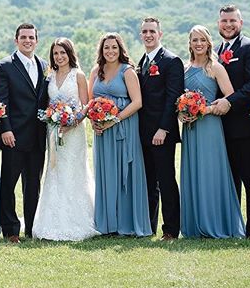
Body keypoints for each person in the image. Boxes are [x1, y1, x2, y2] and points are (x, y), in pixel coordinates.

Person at [180, 25, 244, 238]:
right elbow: (179, 99)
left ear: (208, 43)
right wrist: (181, 113)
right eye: (195, 40)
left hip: (210, 127)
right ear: (190, 43)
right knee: (193, 171)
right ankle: (195, 223)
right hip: (190, 128)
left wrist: (204, 110)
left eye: (202, 40)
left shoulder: (215, 68)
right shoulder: (185, 68)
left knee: (210, 172)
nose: (199, 44)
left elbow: (229, 97)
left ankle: (217, 222)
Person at [32, 38, 98, 241]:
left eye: (63, 52)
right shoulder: (49, 76)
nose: (59, 57)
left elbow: (86, 105)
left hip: (74, 132)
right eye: (55, 53)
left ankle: (78, 219)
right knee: (55, 170)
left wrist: (72, 122)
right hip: (53, 130)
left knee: (74, 170)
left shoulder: (78, 75)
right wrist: (52, 117)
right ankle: (51, 220)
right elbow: (47, 102)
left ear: (70, 54)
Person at [211, 4, 250, 238]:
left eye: (232, 20)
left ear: (240, 23)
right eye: (224, 21)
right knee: (228, 181)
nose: (228, 25)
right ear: (218, 24)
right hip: (219, 128)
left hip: (246, 128)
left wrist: (229, 102)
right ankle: (232, 227)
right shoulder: (214, 52)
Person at [88, 33, 151, 237]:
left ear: (120, 49)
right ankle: (107, 223)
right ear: (101, 50)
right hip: (102, 132)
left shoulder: (128, 71)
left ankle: (127, 222)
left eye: (114, 47)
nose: (110, 51)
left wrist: (114, 120)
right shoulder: (96, 71)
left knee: (125, 172)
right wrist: (94, 121)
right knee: (106, 173)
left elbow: (137, 102)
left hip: (124, 128)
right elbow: (90, 102)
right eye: (106, 47)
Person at [0, 23, 48, 243]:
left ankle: (32, 228)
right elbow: (0, 100)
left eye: (31, 37)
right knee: (8, 184)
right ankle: (11, 230)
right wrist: (5, 128)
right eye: (23, 37)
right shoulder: (4, 66)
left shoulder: (44, 65)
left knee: (33, 185)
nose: (27, 41)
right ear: (16, 40)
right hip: (13, 136)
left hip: (38, 136)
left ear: (36, 40)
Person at [137, 17, 184, 240]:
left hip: (161, 133)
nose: (148, 35)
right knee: (148, 182)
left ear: (160, 34)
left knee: (166, 181)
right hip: (142, 132)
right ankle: (149, 226)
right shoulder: (141, 62)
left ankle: (171, 229)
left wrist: (164, 129)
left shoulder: (171, 61)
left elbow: (173, 97)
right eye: (145, 31)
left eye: (152, 31)